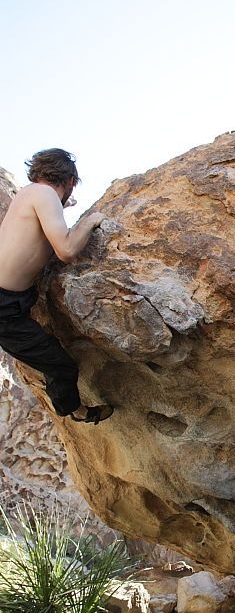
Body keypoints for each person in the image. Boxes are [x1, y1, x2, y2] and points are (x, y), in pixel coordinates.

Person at [0, 148, 113, 424]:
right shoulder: (45, 195)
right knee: (60, 365)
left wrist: (63, 206)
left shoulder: (32, 193)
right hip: (4, 308)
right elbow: (65, 250)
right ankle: (74, 411)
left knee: (48, 355)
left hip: (12, 300)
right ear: (70, 180)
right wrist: (90, 221)